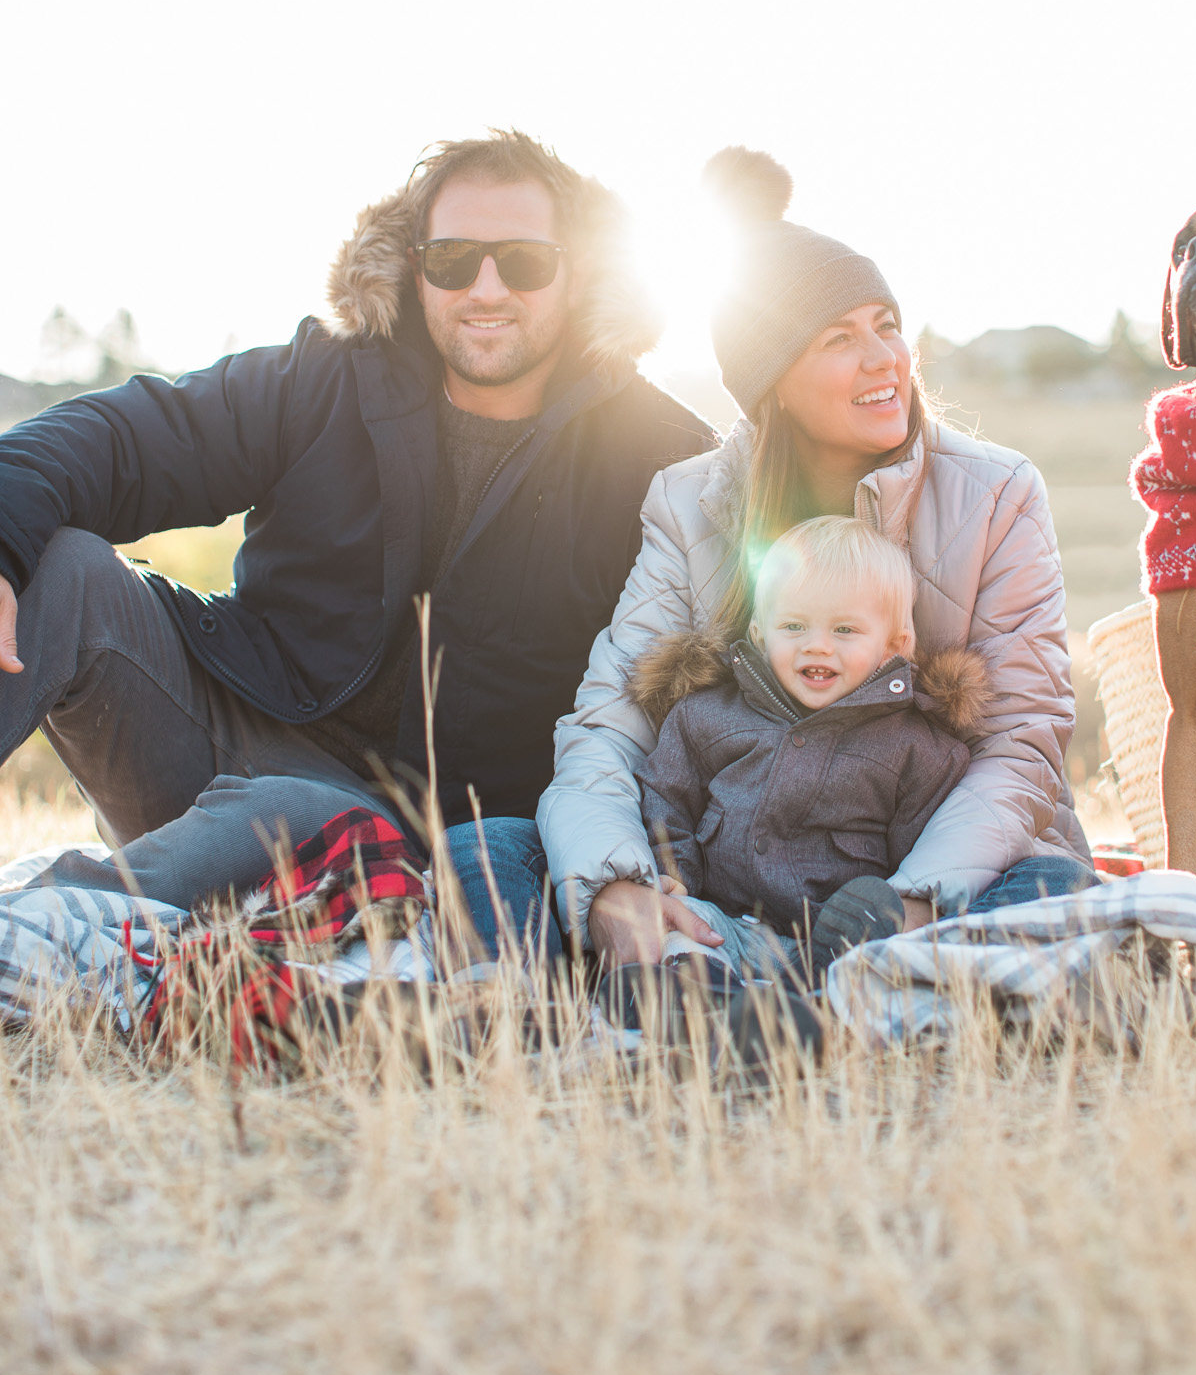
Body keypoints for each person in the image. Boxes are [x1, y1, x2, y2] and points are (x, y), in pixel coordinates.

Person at [0, 132, 714, 943]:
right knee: (56, 568)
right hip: (224, 739)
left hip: (421, 842)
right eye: (452, 259)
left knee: (295, 814)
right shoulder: (326, 378)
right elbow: (122, 439)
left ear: (577, 272)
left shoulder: (660, 455)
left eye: (523, 262)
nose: (486, 288)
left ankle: (49, 927)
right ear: (415, 268)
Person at [538, 146, 1097, 966]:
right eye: (839, 338)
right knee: (505, 848)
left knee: (1057, 892)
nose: (886, 360)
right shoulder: (690, 503)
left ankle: (865, 986)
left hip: (942, 881)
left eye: (888, 326)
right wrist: (620, 887)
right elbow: (607, 727)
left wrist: (913, 902)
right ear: (775, 383)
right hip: (734, 893)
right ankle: (667, 991)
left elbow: (1022, 744)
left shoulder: (998, 492)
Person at [628, 515, 993, 991]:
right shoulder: (708, 717)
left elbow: (922, 861)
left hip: (837, 946)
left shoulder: (915, 748)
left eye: (844, 630)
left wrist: (894, 911)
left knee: (884, 939)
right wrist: (672, 872)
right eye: (794, 625)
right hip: (726, 926)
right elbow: (665, 794)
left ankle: (808, 1002)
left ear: (893, 648)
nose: (817, 646)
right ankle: (695, 1000)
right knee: (679, 929)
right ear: (760, 635)